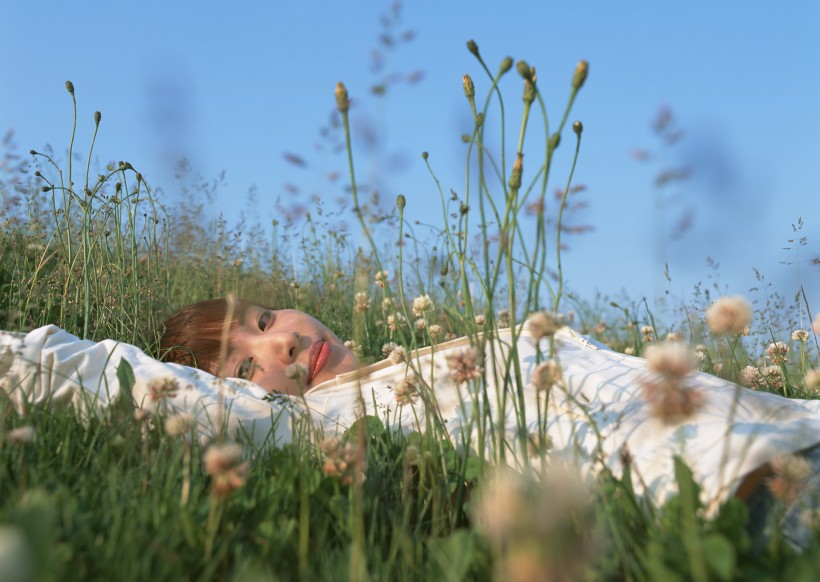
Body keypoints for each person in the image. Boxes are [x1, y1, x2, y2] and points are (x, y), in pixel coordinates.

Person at [158, 298, 820, 549]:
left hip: (783, 429)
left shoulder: (401, 364)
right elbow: (98, 370)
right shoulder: (322, 421)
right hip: (730, 491)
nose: (280, 346)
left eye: (266, 319)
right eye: (244, 368)